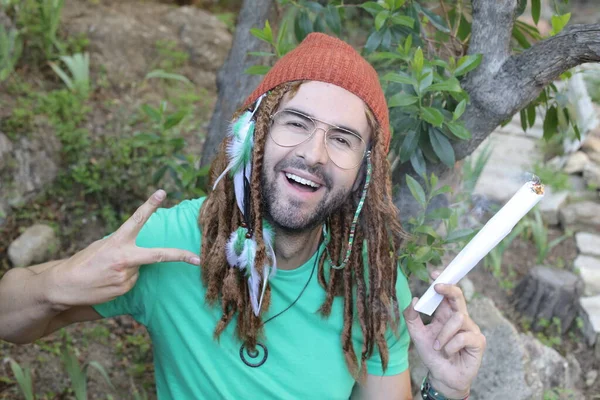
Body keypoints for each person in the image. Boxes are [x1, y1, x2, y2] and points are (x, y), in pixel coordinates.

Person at [0, 33, 485, 399]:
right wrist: (56, 284)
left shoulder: (370, 283)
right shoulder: (174, 243)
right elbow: (11, 320)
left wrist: (445, 388)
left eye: (342, 138)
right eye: (295, 123)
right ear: (253, 135)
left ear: (364, 172)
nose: (313, 154)